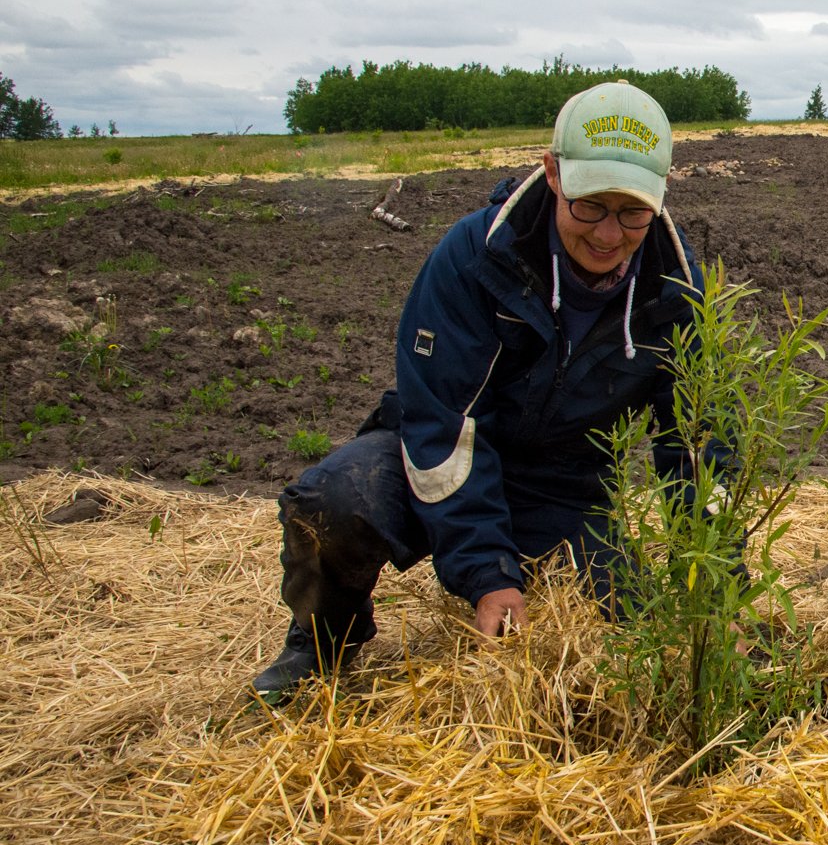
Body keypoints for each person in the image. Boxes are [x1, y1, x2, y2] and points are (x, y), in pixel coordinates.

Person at [250, 80, 713, 698]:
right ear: (552, 174)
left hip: (563, 488)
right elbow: (442, 421)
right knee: (335, 501)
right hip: (438, 453)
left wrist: (715, 591)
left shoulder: (673, 290)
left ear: (660, 197)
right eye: (589, 207)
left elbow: (697, 445)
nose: (609, 235)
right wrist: (489, 571)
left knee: (625, 638)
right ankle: (321, 643)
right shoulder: (476, 257)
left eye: (632, 212)